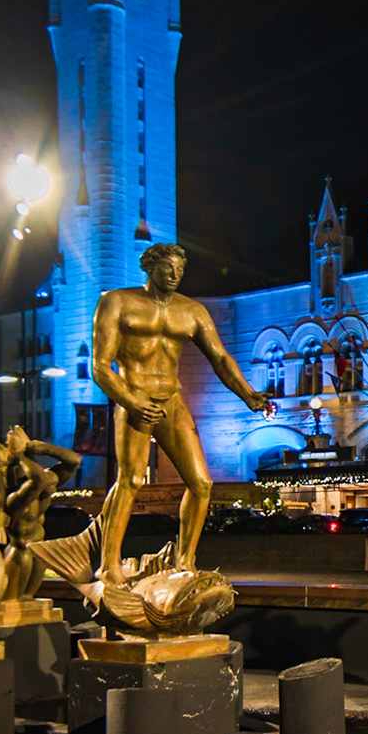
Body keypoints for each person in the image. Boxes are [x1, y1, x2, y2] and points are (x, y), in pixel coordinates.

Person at [91, 243, 268, 572]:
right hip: (134, 397)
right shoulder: (116, 302)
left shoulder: (192, 311)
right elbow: (100, 367)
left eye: (180, 270)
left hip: (171, 400)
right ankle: (108, 565)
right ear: (149, 267)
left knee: (201, 484)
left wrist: (248, 394)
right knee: (130, 479)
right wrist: (131, 401)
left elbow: (219, 357)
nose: (175, 275)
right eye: (168, 268)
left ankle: (184, 562)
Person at [0, 425, 82, 600]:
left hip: (37, 550)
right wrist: (20, 454)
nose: (53, 486)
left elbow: (74, 460)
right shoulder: (15, 497)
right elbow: (39, 479)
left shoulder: (41, 487)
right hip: (19, 555)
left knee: (30, 597)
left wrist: (37, 447)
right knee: (14, 602)